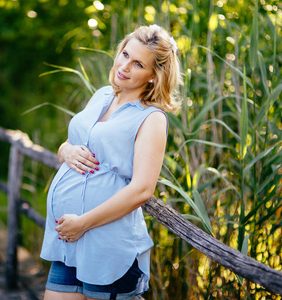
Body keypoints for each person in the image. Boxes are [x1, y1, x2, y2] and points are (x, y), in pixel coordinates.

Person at [40, 24, 183, 300]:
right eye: (125, 54)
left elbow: (142, 189)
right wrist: (65, 150)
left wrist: (82, 223)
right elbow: (75, 145)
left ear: (154, 76)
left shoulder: (151, 118)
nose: (125, 66)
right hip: (68, 243)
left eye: (138, 63)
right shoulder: (103, 95)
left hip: (106, 247)